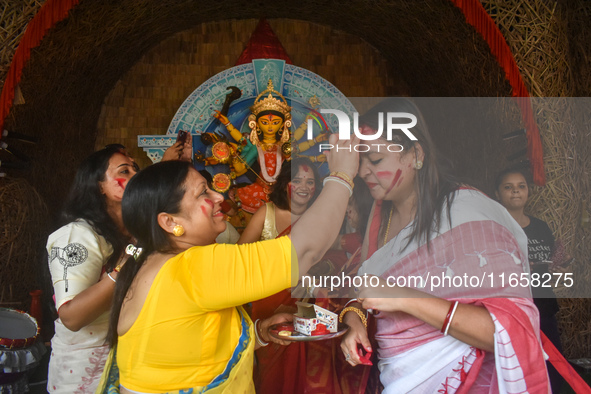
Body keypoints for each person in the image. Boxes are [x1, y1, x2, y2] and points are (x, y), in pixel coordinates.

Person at [97, 134, 358, 393]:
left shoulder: (152, 264)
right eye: (203, 193)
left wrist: (258, 333)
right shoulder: (192, 267)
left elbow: (187, 348)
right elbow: (302, 252)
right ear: (170, 222)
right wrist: (342, 175)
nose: (219, 196)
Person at [340, 98, 550, 393]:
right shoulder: (379, 216)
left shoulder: (468, 216)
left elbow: (511, 329)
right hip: (393, 381)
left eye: (374, 160)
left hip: (462, 381)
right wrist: (354, 319)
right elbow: (366, 288)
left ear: (415, 154)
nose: (362, 172)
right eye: (360, 161)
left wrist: (406, 299)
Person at [45, 140, 191, 393]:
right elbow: (72, 316)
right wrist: (129, 259)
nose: (134, 176)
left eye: (136, 170)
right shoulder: (77, 236)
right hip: (85, 370)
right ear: (98, 186)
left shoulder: (138, 233)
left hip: (131, 361)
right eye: (124, 171)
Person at [495, 168, 564, 393]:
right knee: (516, 362)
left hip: (543, 303)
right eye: (508, 187)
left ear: (528, 192)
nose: (516, 191)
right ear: (497, 194)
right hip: (511, 308)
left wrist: (559, 260)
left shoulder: (541, 227)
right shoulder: (493, 228)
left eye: (521, 186)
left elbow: (553, 257)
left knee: (553, 361)